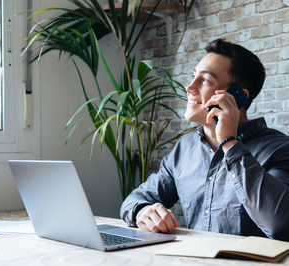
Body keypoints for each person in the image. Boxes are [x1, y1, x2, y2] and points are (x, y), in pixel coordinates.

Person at [120, 39, 289, 241]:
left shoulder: (280, 149)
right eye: (193, 77)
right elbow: (134, 199)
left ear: (237, 97)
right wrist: (142, 212)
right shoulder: (185, 148)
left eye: (206, 80)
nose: (190, 87)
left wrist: (229, 142)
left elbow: (280, 225)